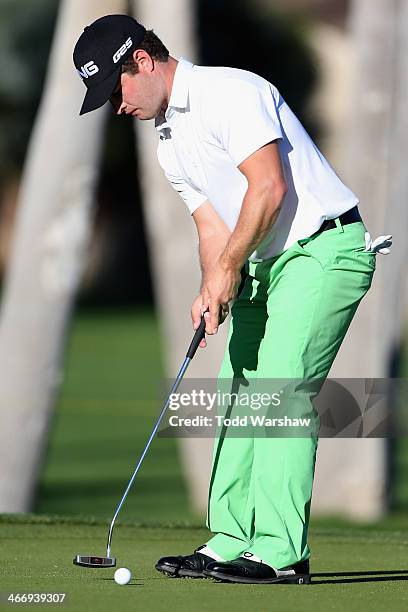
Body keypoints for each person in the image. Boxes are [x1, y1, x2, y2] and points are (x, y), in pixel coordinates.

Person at [73, 14, 392, 585]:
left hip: (324, 250)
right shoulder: (168, 138)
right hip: (262, 261)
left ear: (142, 62)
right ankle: (230, 540)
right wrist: (211, 285)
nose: (116, 107)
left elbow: (269, 186)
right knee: (236, 393)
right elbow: (211, 226)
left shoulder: (231, 92)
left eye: (115, 89)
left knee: (277, 389)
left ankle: (281, 552)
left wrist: (226, 268)